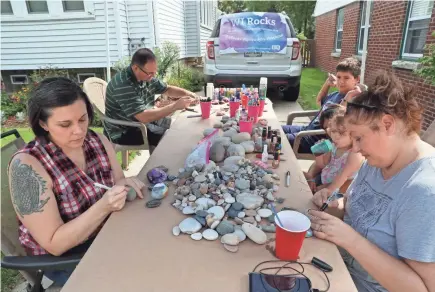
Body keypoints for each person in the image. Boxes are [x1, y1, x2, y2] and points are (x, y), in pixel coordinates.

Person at [8, 77, 145, 286]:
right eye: (65, 124)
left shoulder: (96, 140)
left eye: (82, 119)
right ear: (43, 123)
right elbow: (54, 244)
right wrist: (104, 206)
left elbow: (118, 182)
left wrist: (124, 186)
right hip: (68, 259)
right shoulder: (28, 166)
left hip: (107, 236)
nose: (79, 131)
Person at [308, 71, 435, 292]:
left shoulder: (424, 192)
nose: (355, 149)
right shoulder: (376, 161)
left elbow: (423, 288)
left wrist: (351, 240)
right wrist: (329, 205)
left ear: (387, 124)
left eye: (359, 138)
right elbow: (351, 207)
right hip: (333, 268)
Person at [104, 48, 197, 152]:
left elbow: (167, 89)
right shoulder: (123, 85)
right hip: (124, 129)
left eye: (154, 72)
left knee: (177, 126)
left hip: (140, 121)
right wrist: (175, 106)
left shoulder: (146, 76)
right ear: (135, 68)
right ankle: (160, 166)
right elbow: (144, 117)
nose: (152, 77)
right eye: (150, 73)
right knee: (168, 137)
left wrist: (189, 93)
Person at [282, 57, 361, 153]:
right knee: (277, 129)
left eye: (346, 78)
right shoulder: (336, 94)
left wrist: (347, 97)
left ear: (357, 79)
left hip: (314, 140)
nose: (341, 81)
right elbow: (319, 100)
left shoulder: (353, 101)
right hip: (306, 130)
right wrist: (327, 84)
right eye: (339, 77)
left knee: (276, 139)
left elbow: (337, 123)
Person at [305, 105, 364, 193]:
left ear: (353, 135)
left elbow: (343, 177)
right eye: (333, 131)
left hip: (338, 189)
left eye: (341, 134)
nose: (335, 137)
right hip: (323, 179)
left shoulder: (354, 155)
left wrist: (327, 190)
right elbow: (322, 164)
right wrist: (319, 154)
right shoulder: (334, 145)